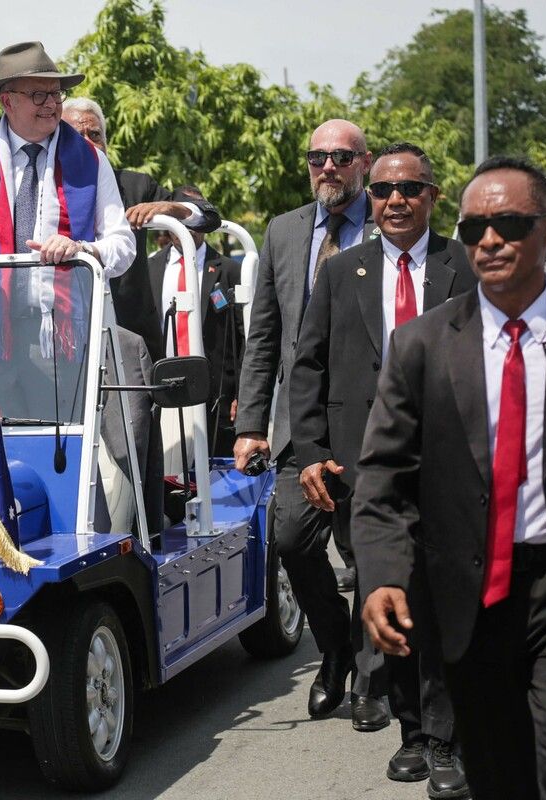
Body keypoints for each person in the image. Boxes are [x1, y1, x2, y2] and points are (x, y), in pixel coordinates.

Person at [356, 156, 546, 799]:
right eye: (474, 229)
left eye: (509, 223)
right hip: (470, 598)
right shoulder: (423, 345)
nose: (490, 241)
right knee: (501, 781)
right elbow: (384, 474)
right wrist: (387, 575)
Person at [291, 142, 474, 796]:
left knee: (446, 598)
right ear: (372, 198)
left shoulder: (464, 265)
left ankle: (446, 740)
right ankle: (412, 727)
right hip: (365, 460)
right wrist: (311, 450)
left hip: (454, 463)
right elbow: (307, 364)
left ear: (433, 196)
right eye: (386, 191)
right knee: (384, 590)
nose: (396, 201)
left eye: (411, 190)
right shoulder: (343, 272)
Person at [233, 119, 383, 723]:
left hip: (374, 425)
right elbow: (263, 334)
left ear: (364, 162)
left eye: (341, 156)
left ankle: (375, 677)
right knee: (292, 540)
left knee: (370, 552)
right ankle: (337, 649)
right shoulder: (284, 230)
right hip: (300, 426)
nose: (328, 166)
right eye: (317, 156)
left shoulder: (390, 225)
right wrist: (250, 423)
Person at [0, 41, 135, 278]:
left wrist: (81, 250)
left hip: (66, 310)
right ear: (7, 101)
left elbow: (123, 245)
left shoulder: (92, 159)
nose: (52, 104)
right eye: (39, 95)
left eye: (56, 93)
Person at [62, 97, 222, 360]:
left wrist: (172, 209)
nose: (89, 143)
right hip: (65, 339)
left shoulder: (135, 186)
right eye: (78, 136)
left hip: (132, 342)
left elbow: (208, 216)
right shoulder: (44, 190)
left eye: (95, 134)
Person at [147, 185, 244, 455]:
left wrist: (243, 395)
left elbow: (246, 337)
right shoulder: (151, 268)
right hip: (163, 393)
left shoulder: (230, 271)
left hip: (216, 401)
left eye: (194, 217)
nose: (188, 225)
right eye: (181, 217)